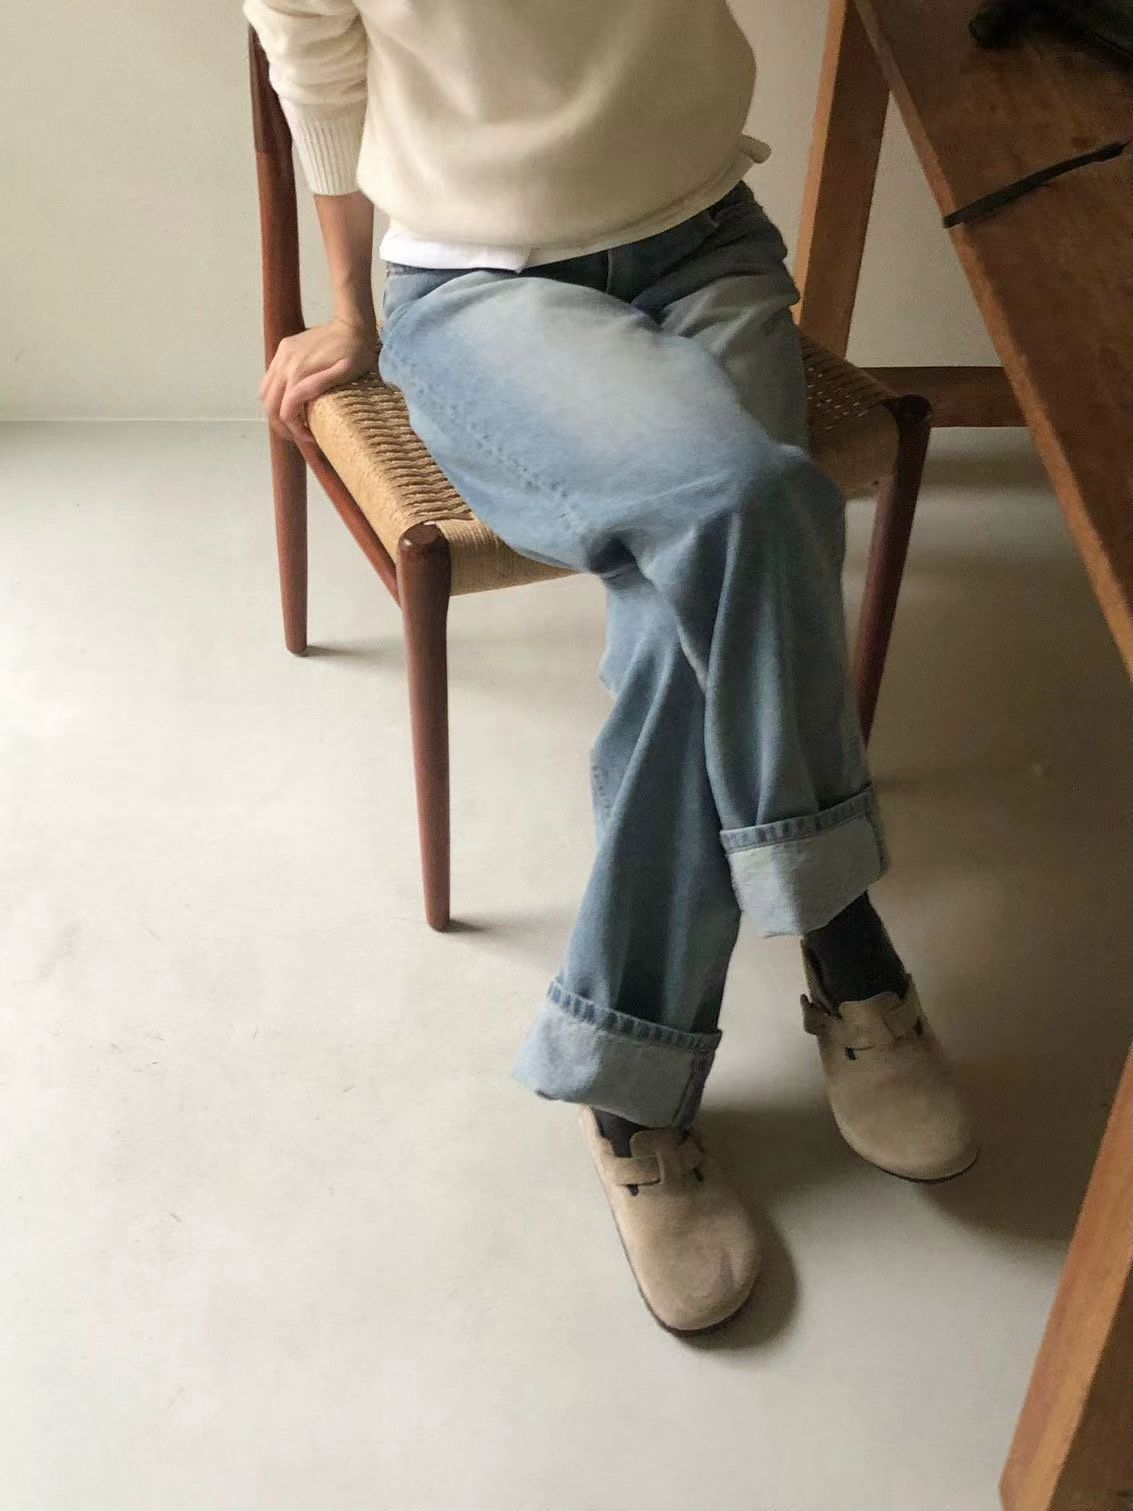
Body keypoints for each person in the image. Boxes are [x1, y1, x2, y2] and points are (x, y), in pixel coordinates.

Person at [245, 0, 978, 1334]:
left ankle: (629, 1084)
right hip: (480, 293)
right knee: (748, 504)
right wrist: (350, 310)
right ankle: (843, 939)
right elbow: (321, 75)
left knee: (685, 611)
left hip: (709, 248)